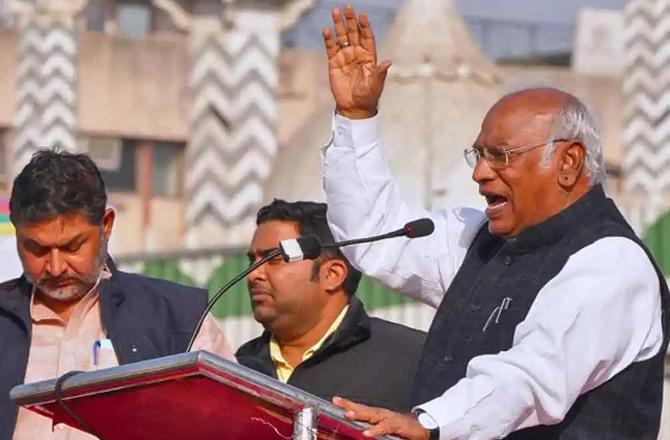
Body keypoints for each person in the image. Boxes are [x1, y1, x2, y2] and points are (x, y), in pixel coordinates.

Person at [319, 5, 669, 440]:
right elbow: (373, 235)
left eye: (500, 156)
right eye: (479, 155)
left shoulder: (612, 264)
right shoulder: (476, 242)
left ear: (568, 162)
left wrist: (430, 422)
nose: (479, 173)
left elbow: (532, 375)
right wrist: (355, 116)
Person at [1, 149, 235, 440]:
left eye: (73, 247)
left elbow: (231, 424)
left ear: (107, 225)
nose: (56, 266)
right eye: (37, 249)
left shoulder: (176, 319)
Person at [236, 199, 425, 411]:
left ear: (332, 274)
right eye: (253, 260)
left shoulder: (412, 359)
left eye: (273, 259)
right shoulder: (237, 368)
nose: (253, 274)